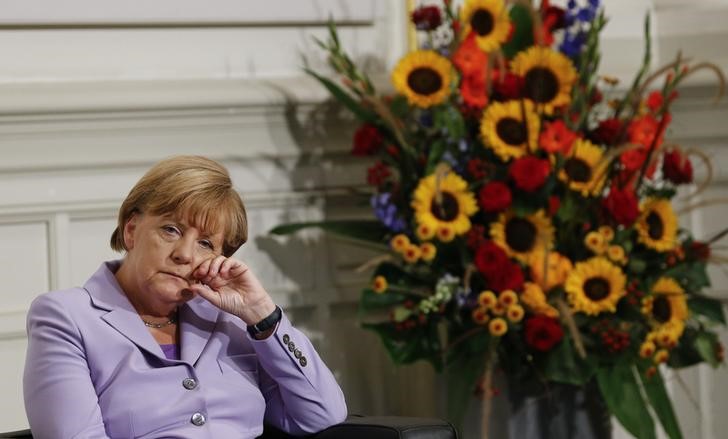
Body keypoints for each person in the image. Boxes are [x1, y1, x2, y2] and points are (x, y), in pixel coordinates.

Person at [23, 156, 347, 438]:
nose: (184, 255)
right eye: (171, 230)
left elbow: (322, 414)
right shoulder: (66, 317)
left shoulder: (233, 321)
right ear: (131, 230)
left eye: (206, 243)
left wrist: (263, 315)